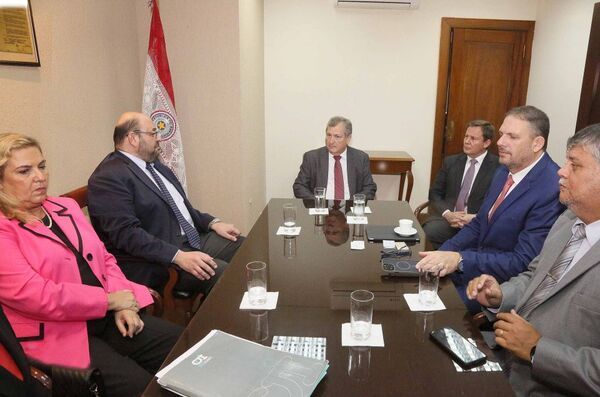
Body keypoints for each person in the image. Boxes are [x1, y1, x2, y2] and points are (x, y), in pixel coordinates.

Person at [0, 133, 182, 397]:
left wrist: (126, 304)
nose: (39, 177)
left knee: (184, 349)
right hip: (58, 333)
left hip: (106, 314)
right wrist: (110, 300)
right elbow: (37, 295)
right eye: (24, 171)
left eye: (42, 166)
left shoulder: (65, 207)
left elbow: (104, 257)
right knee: (142, 388)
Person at [466, 124, 600, 396]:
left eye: (574, 165)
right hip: (506, 361)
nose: (561, 171)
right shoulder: (567, 221)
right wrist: (500, 294)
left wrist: (538, 350)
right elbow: (534, 276)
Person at [416, 106, 565, 313]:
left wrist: (459, 260)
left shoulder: (552, 187)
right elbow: (479, 224)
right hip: (474, 266)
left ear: (537, 143)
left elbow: (523, 261)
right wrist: (443, 253)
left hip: (496, 286)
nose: (500, 142)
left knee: (429, 308)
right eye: (502, 134)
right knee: (414, 287)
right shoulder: (504, 171)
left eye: (512, 136)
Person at [88, 112, 243, 296]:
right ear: (133, 138)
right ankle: (216, 323)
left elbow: (180, 207)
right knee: (221, 273)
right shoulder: (108, 177)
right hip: (156, 258)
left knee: (245, 247)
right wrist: (177, 256)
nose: (159, 138)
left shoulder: (154, 166)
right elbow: (127, 235)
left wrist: (213, 223)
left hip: (189, 239)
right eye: (153, 133)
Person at [423, 120, 500, 249]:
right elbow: (435, 193)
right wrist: (448, 214)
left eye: (473, 138)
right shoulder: (451, 162)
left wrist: (474, 218)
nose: (467, 141)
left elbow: (499, 202)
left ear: (486, 143)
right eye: (466, 136)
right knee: (428, 231)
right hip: (448, 221)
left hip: (476, 224)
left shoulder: (499, 167)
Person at [293, 116, 377, 200]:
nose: (331, 141)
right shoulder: (312, 158)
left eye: (337, 136)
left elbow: (369, 188)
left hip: (350, 209)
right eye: (329, 135)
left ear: (348, 138)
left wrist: (354, 203)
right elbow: (299, 186)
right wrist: (318, 202)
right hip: (321, 209)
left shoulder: (360, 158)